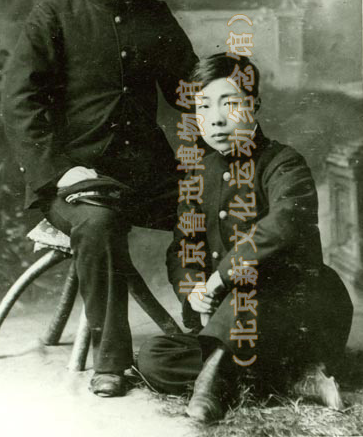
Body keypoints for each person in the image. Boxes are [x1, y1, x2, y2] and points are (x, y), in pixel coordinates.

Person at [2, 0, 198, 397]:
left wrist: (226, 92)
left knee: (207, 207)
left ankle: (207, 328)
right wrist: (60, 171)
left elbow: (187, 91)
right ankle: (111, 360)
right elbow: (20, 104)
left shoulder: (154, 16)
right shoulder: (54, 16)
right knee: (98, 223)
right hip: (73, 180)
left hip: (147, 176)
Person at [137, 53, 353, 422]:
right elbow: (184, 247)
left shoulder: (284, 163)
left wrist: (220, 278)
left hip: (298, 309)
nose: (215, 119)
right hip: (233, 322)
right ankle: (295, 378)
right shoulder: (197, 174)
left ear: (254, 105)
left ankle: (210, 386)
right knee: (153, 358)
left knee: (248, 295)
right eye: (204, 106)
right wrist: (194, 291)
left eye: (229, 103)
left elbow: (282, 226)